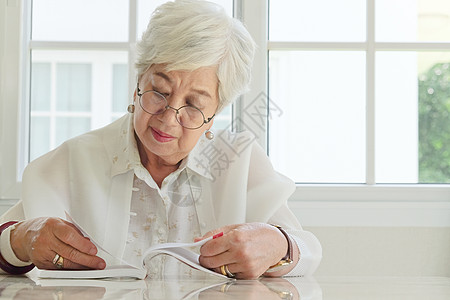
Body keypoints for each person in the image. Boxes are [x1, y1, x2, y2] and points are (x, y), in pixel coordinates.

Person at [0, 0, 321, 279]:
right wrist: (19, 241)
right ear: (138, 79)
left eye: (194, 105)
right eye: (159, 92)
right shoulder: (75, 158)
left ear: (216, 111)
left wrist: (280, 246)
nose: (169, 118)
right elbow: (8, 242)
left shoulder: (239, 159)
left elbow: (308, 249)